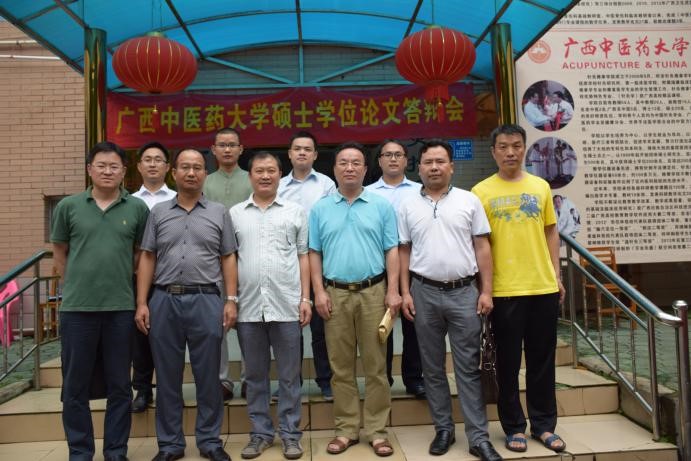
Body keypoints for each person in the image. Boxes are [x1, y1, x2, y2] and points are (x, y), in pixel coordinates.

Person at [398, 139, 501, 461]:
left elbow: (482, 247)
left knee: (468, 367)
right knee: (431, 367)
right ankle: (443, 429)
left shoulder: (469, 201)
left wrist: (486, 291)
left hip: (464, 293)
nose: (434, 167)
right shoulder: (407, 205)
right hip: (423, 292)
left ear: (451, 167)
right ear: (419, 167)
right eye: (428, 162)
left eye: (440, 161)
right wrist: (405, 292)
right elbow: (404, 251)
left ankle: (478, 437)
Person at [136, 148, 237, 461]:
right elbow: (148, 256)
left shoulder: (219, 212)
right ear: (174, 173)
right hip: (164, 300)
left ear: (205, 173)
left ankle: (210, 441)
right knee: (167, 377)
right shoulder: (158, 213)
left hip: (206, 299)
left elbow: (228, 257)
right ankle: (170, 445)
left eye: (197, 168)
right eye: (185, 167)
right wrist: (142, 302)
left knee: (209, 377)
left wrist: (231, 300)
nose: (191, 173)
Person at [472, 124, 567, 454]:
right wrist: (485, 288)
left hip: (542, 287)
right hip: (504, 289)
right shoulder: (480, 192)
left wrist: (556, 275)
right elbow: (480, 243)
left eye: (515, 145)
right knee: (507, 362)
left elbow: (551, 232)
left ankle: (544, 425)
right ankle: (513, 426)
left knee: (542, 360)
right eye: (503, 146)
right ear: (493, 152)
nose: (510, 152)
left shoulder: (540, 187)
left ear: (524, 148)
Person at [51, 141, 149, 461]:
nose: (108, 171)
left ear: (124, 171)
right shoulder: (68, 206)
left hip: (121, 309)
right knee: (74, 387)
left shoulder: (137, 208)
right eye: (101, 165)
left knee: (120, 385)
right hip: (77, 310)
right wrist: (75, 285)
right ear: (89, 169)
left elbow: (140, 255)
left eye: (114, 166)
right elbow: (60, 253)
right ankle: (80, 452)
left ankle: (116, 451)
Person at [308, 142, 402, 457]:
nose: (349, 168)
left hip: (374, 292)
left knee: (376, 366)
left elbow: (392, 249)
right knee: (340, 367)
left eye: (356, 163)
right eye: (343, 162)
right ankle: (346, 429)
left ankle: (377, 431)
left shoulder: (381, 206)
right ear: (334, 169)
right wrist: (319, 291)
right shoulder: (320, 208)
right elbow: (314, 252)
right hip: (334, 293)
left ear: (365, 169)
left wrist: (393, 290)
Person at [232, 151, 311, 460]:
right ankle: (260, 434)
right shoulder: (235, 214)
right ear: (250, 175)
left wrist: (305, 298)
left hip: (287, 305)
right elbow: (230, 260)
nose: (265, 176)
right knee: (255, 376)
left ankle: (291, 435)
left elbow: (303, 256)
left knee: (290, 376)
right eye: (259, 171)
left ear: (280, 174)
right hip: (249, 307)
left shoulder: (295, 212)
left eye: (271, 171)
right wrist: (231, 299)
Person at [277, 130, 336, 401]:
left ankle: (326, 381)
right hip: (287, 265)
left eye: (307, 149)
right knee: (290, 330)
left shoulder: (326, 185)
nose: (302, 153)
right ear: (289, 154)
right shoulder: (278, 186)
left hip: (320, 263)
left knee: (322, 328)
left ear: (314, 155)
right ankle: (291, 382)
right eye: (297, 148)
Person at [365, 139, 425, 399]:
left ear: (405, 160)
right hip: (380, 265)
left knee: (414, 324)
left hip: (416, 263)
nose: (392, 159)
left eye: (398, 155)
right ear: (379, 161)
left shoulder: (420, 190)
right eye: (387, 155)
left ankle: (414, 378)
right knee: (383, 324)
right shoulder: (368, 193)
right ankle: (384, 378)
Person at [203, 127, 253, 400]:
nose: (227, 149)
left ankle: (249, 378)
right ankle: (221, 380)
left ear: (241, 149)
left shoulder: (252, 178)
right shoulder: (205, 181)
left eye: (232, 144)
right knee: (217, 323)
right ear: (213, 149)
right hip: (212, 262)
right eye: (222, 145)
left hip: (248, 259)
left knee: (248, 323)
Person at [130, 141, 177, 414]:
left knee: (170, 338)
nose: (152, 164)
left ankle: (170, 390)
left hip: (170, 278)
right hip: (140, 278)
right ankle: (143, 389)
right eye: (147, 159)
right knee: (142, 337)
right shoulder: (130, 202)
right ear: (139, 166)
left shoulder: (177, 199)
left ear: (167, 167)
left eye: (158, 159)